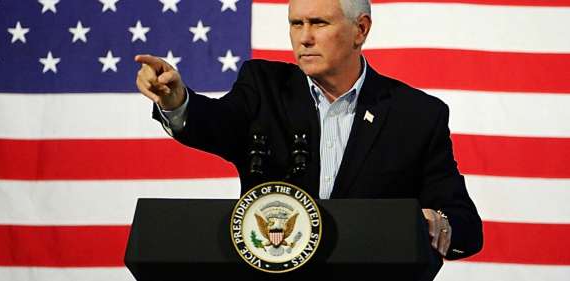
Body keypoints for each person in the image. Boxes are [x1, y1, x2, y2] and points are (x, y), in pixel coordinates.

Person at [134, 0, 482, 260]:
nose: (304, 38)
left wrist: (439, 222)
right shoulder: (264, 87)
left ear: (360, 30)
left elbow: (465, 223)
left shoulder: (416, 114)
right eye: (296, 24)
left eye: (318, 23)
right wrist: (177, 99)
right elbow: (214, 123)